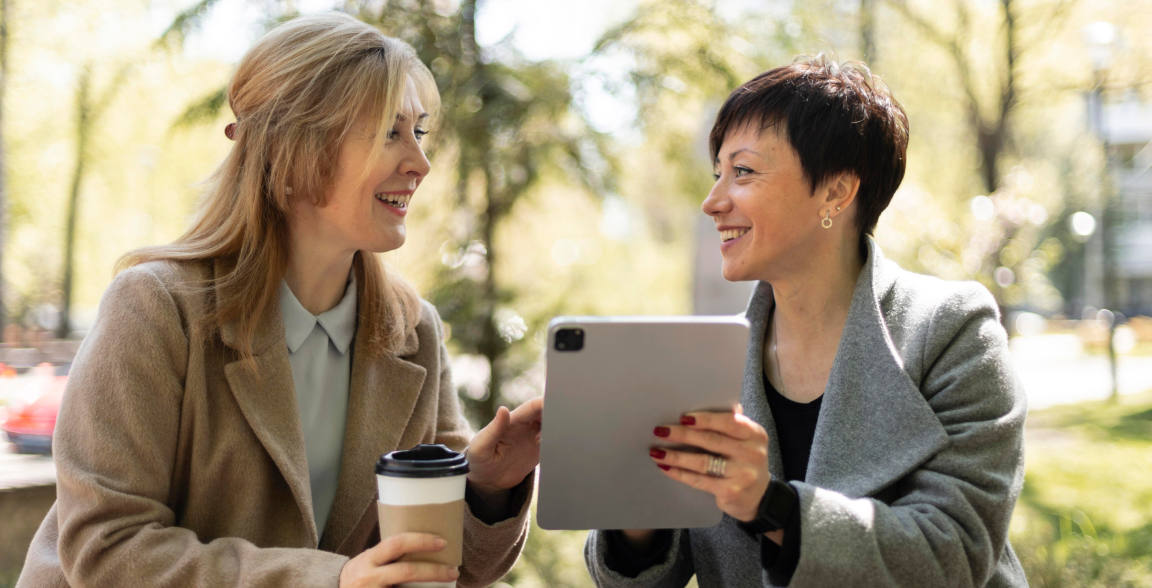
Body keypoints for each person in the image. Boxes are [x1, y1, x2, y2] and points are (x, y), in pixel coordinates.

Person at [18, 13, 542, 588]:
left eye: (418, 132)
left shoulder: (413, 332)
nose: (420, 163)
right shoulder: (153, 308)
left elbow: (448, 569)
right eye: (390, 132)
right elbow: (108, 549)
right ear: (291, 151)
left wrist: (487, 489)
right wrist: (329, 581)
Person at [585, 56, 1028, 588]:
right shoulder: (702, 361)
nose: (712, 201)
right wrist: (637, 507)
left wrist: (768, 505)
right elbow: (649, 577)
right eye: (717, 173)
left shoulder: (953, 330)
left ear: (836, 192)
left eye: (743, 172)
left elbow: (954, 555)